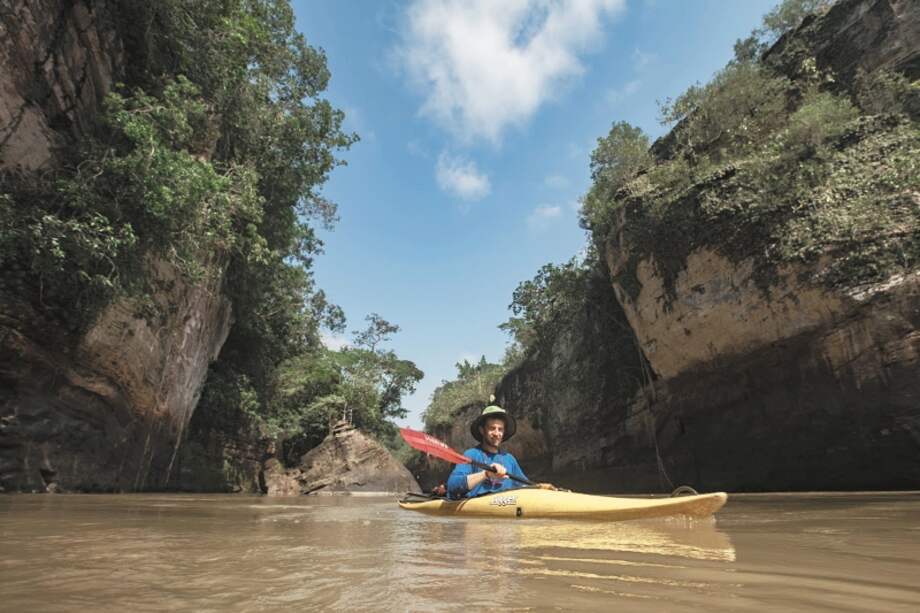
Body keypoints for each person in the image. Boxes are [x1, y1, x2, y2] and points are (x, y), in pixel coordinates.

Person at [446, 404, 554, 499]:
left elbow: (524, 486)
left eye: (500, 429)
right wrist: (486, 474)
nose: (497, 433)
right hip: (478, 511)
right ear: (482, 430)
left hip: (506, 504)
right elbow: (452, 486)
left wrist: (539, 488)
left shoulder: (509, 459)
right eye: (492, 428)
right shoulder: (471, 455)